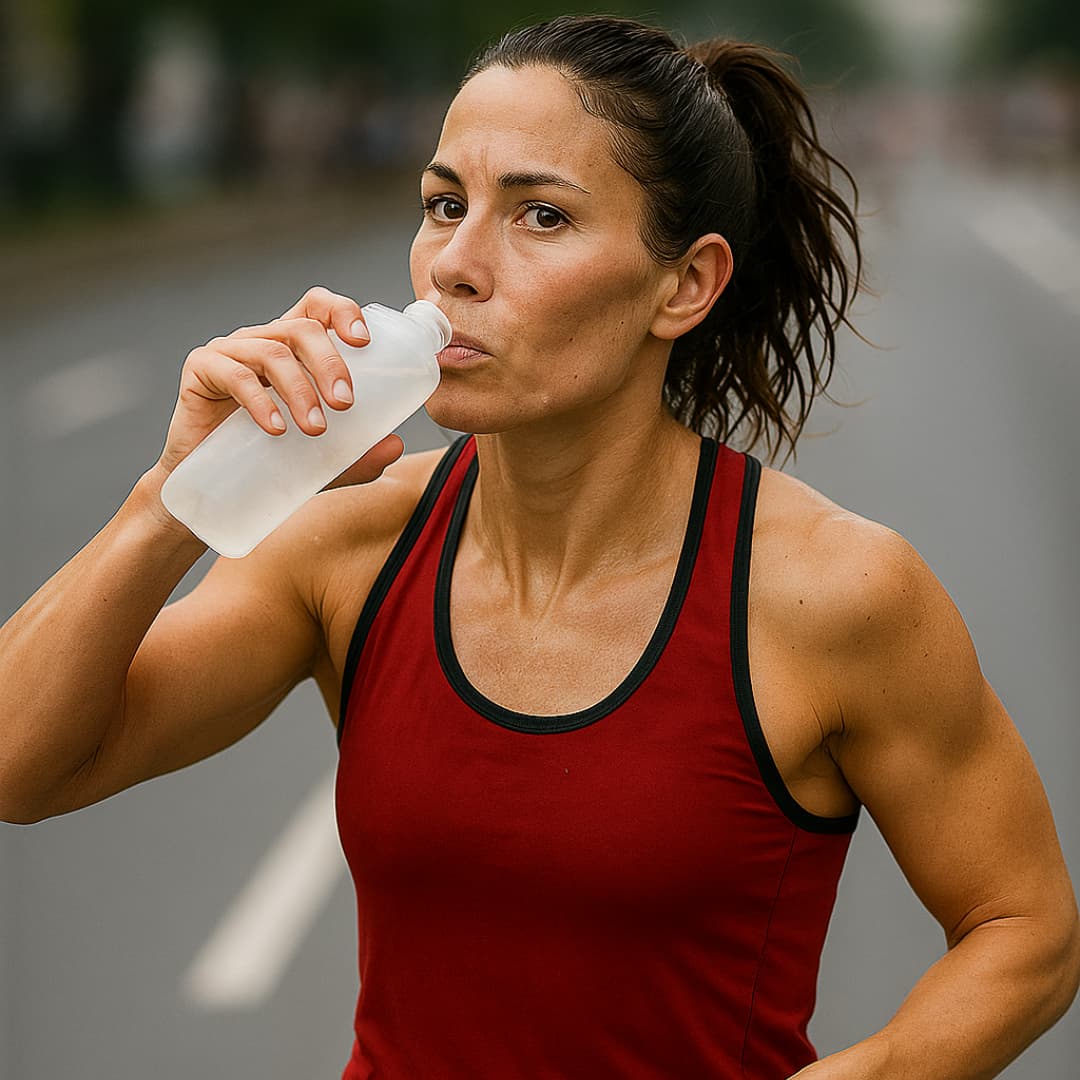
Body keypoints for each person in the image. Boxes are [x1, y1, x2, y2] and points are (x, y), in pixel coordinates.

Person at [1, 14, 1076, 1079]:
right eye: (442, 205)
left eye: (542, 217)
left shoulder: (838, 594)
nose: (455, 266)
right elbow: (22, 767)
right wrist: (170, 501)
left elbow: (1025, 932)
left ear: (685, 285)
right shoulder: (348, 548)